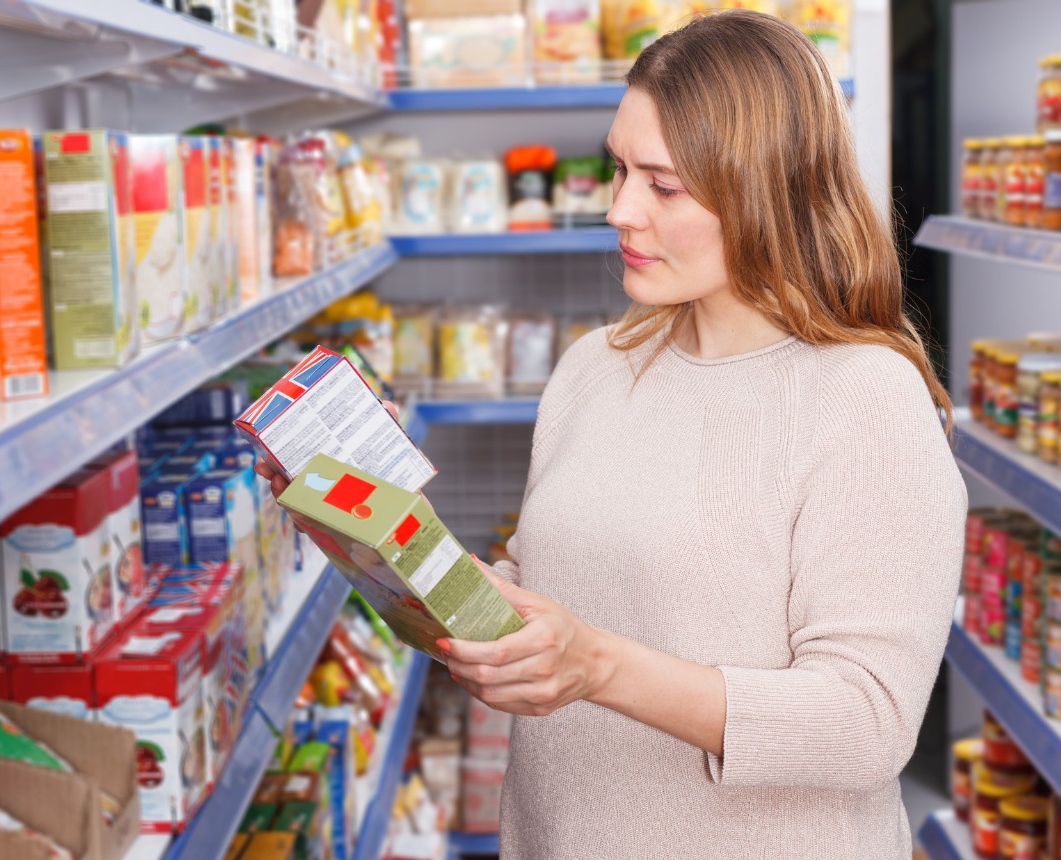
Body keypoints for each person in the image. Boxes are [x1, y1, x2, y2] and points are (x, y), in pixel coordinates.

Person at [258, 10, 966, 859]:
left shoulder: (863, 398)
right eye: (619, 168)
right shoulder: (595, 367)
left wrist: (597, 667)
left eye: (663, 185)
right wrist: (377, 541)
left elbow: (867, 722)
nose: (619, 210)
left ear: (766, 188)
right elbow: (550, 587)